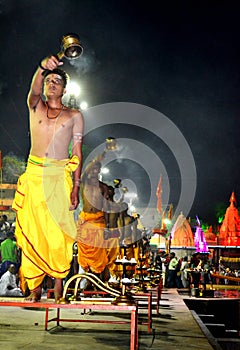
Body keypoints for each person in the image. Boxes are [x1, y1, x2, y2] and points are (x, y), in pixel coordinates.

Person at [12, 54, 84, 302]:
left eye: (57, 81)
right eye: (48, 80)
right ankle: (35, 289)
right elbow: (33, 89)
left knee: (57, 233)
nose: (51, 83)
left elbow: (77, 152)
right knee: (32, 231)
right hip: (34, 176)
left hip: (58, 178)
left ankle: (59, 289)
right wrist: (42, 66)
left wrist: (76, 186)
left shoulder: (74, 116)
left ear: (64, 89)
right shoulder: (36, 106)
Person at [76, 160, 109, 285]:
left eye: (97, 169)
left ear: (99, 171)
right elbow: (83, 174)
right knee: (84, 253)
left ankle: (96, 283)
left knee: (98, 254)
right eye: (93, 168)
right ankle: (85, 283)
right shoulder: (85, 183)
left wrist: (107, 226)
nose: (95, 171)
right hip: (85, 221)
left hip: (98, 221)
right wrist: (95, 160)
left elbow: (105, 207)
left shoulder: (103, 187)